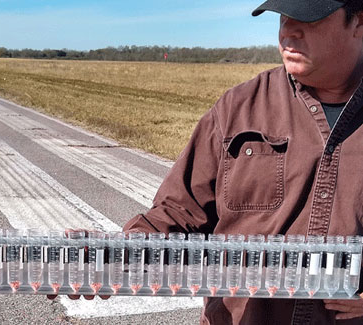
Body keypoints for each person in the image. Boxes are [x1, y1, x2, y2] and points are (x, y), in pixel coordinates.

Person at [122, 0, 363, 324]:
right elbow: (180, 210)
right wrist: (118, 254)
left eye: (310, 16)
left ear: (358, 22)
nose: (288, 28)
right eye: (283, 15)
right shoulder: (237, 109)